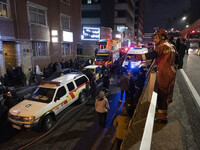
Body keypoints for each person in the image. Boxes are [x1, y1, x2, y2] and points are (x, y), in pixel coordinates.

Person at [136, 29, 177, 123]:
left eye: (156, 37)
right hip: (171, 71)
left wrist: (137, 57)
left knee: (162, 94)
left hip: (164, 72)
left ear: (162, 37)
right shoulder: (172, 46)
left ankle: (162, 117)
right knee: (166, 94)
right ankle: (162, 114)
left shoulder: (162, 46)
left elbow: (153, 55)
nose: (155, 39)